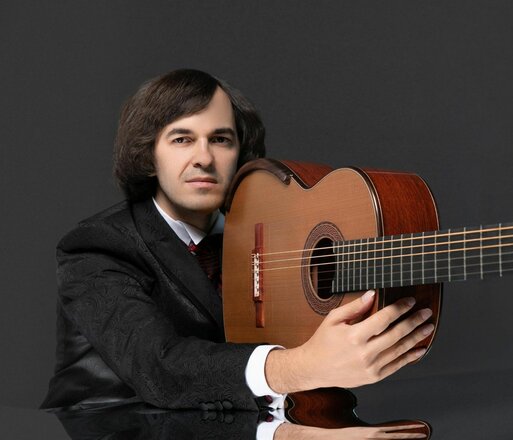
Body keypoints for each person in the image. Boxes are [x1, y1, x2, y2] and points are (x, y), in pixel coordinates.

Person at [41, 69, 434, 431]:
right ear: (149, 155)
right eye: (182, 139)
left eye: (220, 139)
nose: (204, 158)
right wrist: (304, 366)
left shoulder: (263, 235)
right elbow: (159, 369)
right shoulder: (97, 246)